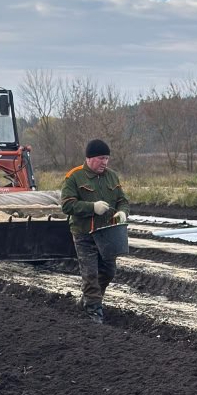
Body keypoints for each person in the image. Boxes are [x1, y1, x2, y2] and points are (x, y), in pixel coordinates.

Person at [60, 138, 129, 324]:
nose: (105, 162)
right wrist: (92, 207)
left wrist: (123, 212)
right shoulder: (74, 177)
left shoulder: (112, 176)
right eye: (101, 158)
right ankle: (94, 313)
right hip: (84, 234)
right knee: (90, 274)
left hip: (107, 233)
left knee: (108, 271)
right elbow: (67, 205)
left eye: (107, 158)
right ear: (89, 158)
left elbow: (122, 199)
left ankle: (89, 299)